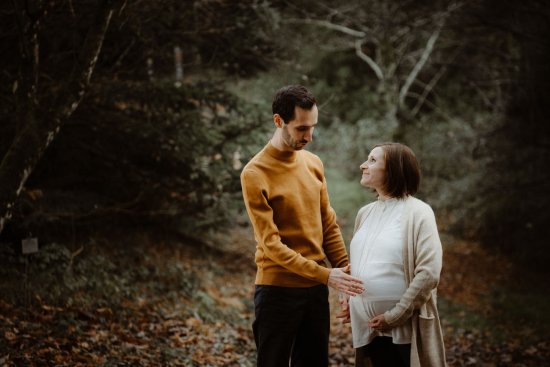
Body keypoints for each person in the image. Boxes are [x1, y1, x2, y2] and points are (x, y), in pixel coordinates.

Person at [240, 85, 365, 367]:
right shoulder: (254, 173)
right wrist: (326, 275)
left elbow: (328, 225)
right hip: (277, 291)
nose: (309, 136)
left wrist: (345, 277)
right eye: (301, 129)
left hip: (315, 290)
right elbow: (271, 245)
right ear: (278, 121)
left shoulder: (313, 163)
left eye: (313, 127)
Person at [338, 142, 446, 367]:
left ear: (394, 169)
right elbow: (362, 262)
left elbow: (429, 273)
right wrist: (349, 294)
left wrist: (395, 316)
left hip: (404, 331)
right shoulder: (364, 213)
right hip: (369, 330)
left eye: (372, 160)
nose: (363, 165)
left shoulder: (419, 212)